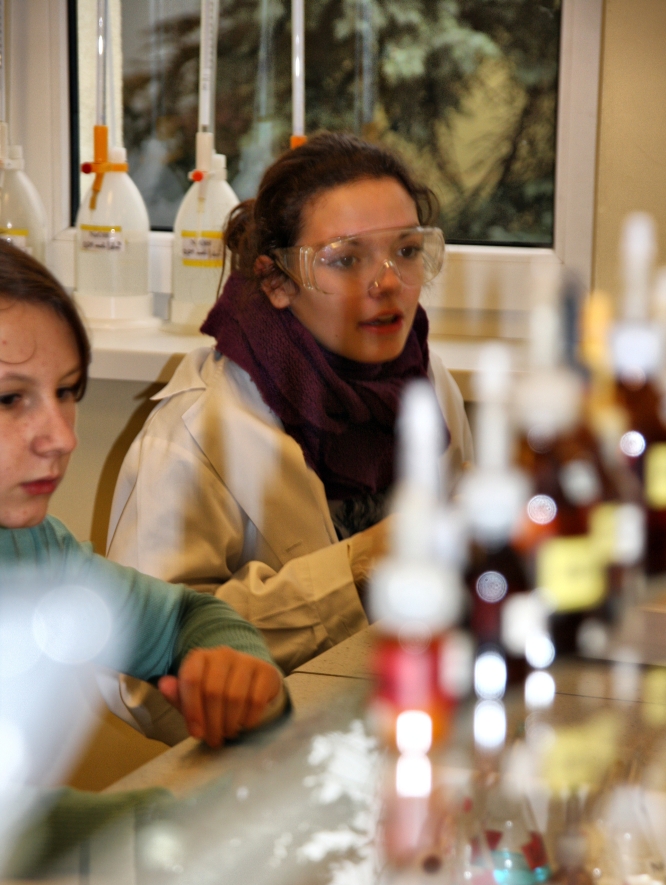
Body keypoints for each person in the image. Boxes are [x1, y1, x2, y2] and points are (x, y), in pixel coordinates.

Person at [107, 133, 473, 673]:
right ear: (277, 281)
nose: (388, 283)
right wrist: (360, 565)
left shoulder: (427, 381)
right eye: (345, 259)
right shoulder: (196, 430)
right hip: (276, 724)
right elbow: (140, 663)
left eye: (407, 251)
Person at [0, 240, 287, 750]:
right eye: (9, 398)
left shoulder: (33, 549)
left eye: (66, 391)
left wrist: (237, 672)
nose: (62, 438)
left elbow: (185, 617)